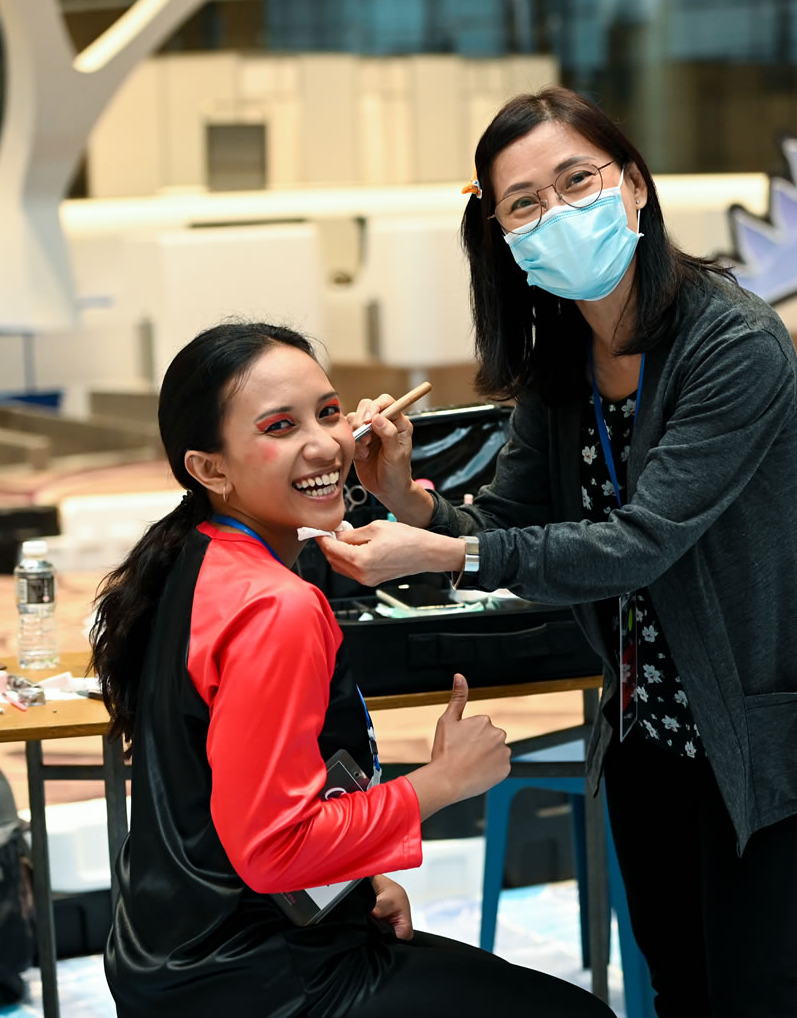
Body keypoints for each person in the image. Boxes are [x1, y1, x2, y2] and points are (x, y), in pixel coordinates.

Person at [316, 87, 797, 1016]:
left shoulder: (733, 342)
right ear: (499, 234)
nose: (557, 213)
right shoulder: (563, 364)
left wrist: (440, 553)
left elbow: (639, 544)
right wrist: (404, 497)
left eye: (577, 181)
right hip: (643, 728)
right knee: (678, 987)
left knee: (750, 993)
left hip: (762, 722)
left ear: (636, 188)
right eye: (525, 204)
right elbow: (507, 527)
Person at [90, 321, 613, 1018]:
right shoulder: (277, 605)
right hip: (260, 979)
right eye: (280, 427)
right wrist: (442, 782)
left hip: (179, 957)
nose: (325, 444)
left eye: (329, 413)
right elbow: (275, 850)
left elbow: (233, 810)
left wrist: (358, 882)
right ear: (210, 468)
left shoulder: (195, 555)